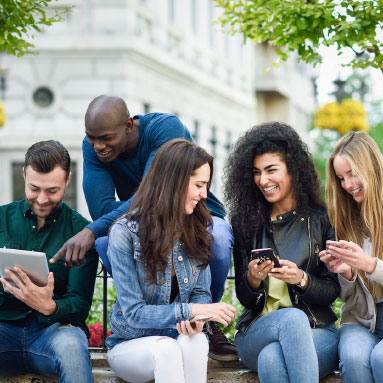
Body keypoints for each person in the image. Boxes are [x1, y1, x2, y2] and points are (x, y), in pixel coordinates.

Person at [51, 94, 237, 360]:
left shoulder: (165, 129)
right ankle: (149, 319)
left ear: (128, 125)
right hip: (142, 225)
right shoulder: (93, 145)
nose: (97, 146)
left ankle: (209, 322)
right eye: (91, 138)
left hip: (193, 216)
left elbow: (156, 191)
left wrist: (90, 230)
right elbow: (103, 210)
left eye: (105, 138)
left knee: (215, 236)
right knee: (108, 242)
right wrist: (103, 229)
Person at [105, 139, 236, 383]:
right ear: (174, 181)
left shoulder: (198, 229)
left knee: (195, 340)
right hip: (131, 345)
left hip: (177, 339)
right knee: (167, 349)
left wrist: (196, 321)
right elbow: (134, 313)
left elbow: (200, 293)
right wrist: (193, 310)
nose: (204, 194)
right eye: (198, 185)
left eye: (205, 185)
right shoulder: (125, 233)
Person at [224, 122, 340, 382]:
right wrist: (253, 279)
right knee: (290, 320)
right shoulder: (245, 221)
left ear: (293, 169)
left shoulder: (322, 219)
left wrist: (302, 279)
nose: (262, 180)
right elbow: (245, 299)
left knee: (272, 358)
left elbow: (333, 290)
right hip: (257, 330)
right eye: (256, 172)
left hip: (317, 330)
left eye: (271, 170)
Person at [0, 140, 99, 383]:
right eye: (34, 188)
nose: (42, 199)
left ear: (67, 180)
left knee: (73, 348)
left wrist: (50, 307)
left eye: (52, 191)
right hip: (3, 329)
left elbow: (80, 304)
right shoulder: (1, 218)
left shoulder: (80, 232)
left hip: (54, 333)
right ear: (24, 175)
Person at [319, 131, 383, 383]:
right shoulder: (346, 218)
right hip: (361, 319)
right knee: (354, 357)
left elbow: (370, 266)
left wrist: (368, 265)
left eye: (353, 174)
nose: (347, 185)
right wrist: (347, 273)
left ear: (371, 168)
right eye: (341, 178)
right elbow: (350, 298)